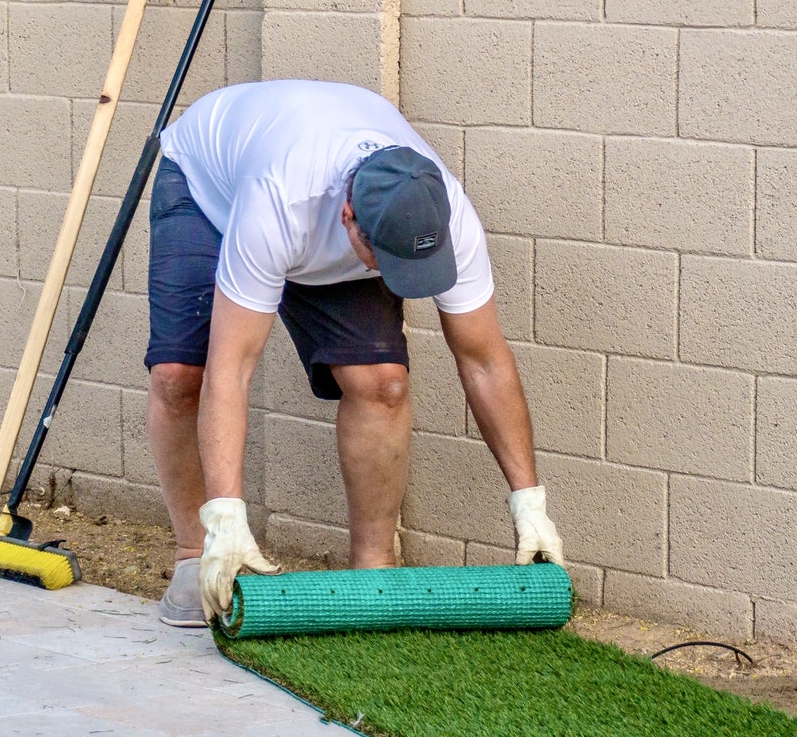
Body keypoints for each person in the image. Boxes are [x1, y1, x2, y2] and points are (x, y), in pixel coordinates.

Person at [144, 79, 564, 626]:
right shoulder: (280, 200)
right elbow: (235, 365)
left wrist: (529, 505)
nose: (394, 279)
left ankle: (373, 571)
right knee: (181, 374)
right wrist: (225, 517)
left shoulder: (443, 214)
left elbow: (484, 361)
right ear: (349, 219)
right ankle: (193, 553)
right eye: (384, 260)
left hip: (315, 211)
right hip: (209, 190)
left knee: (382, 382)